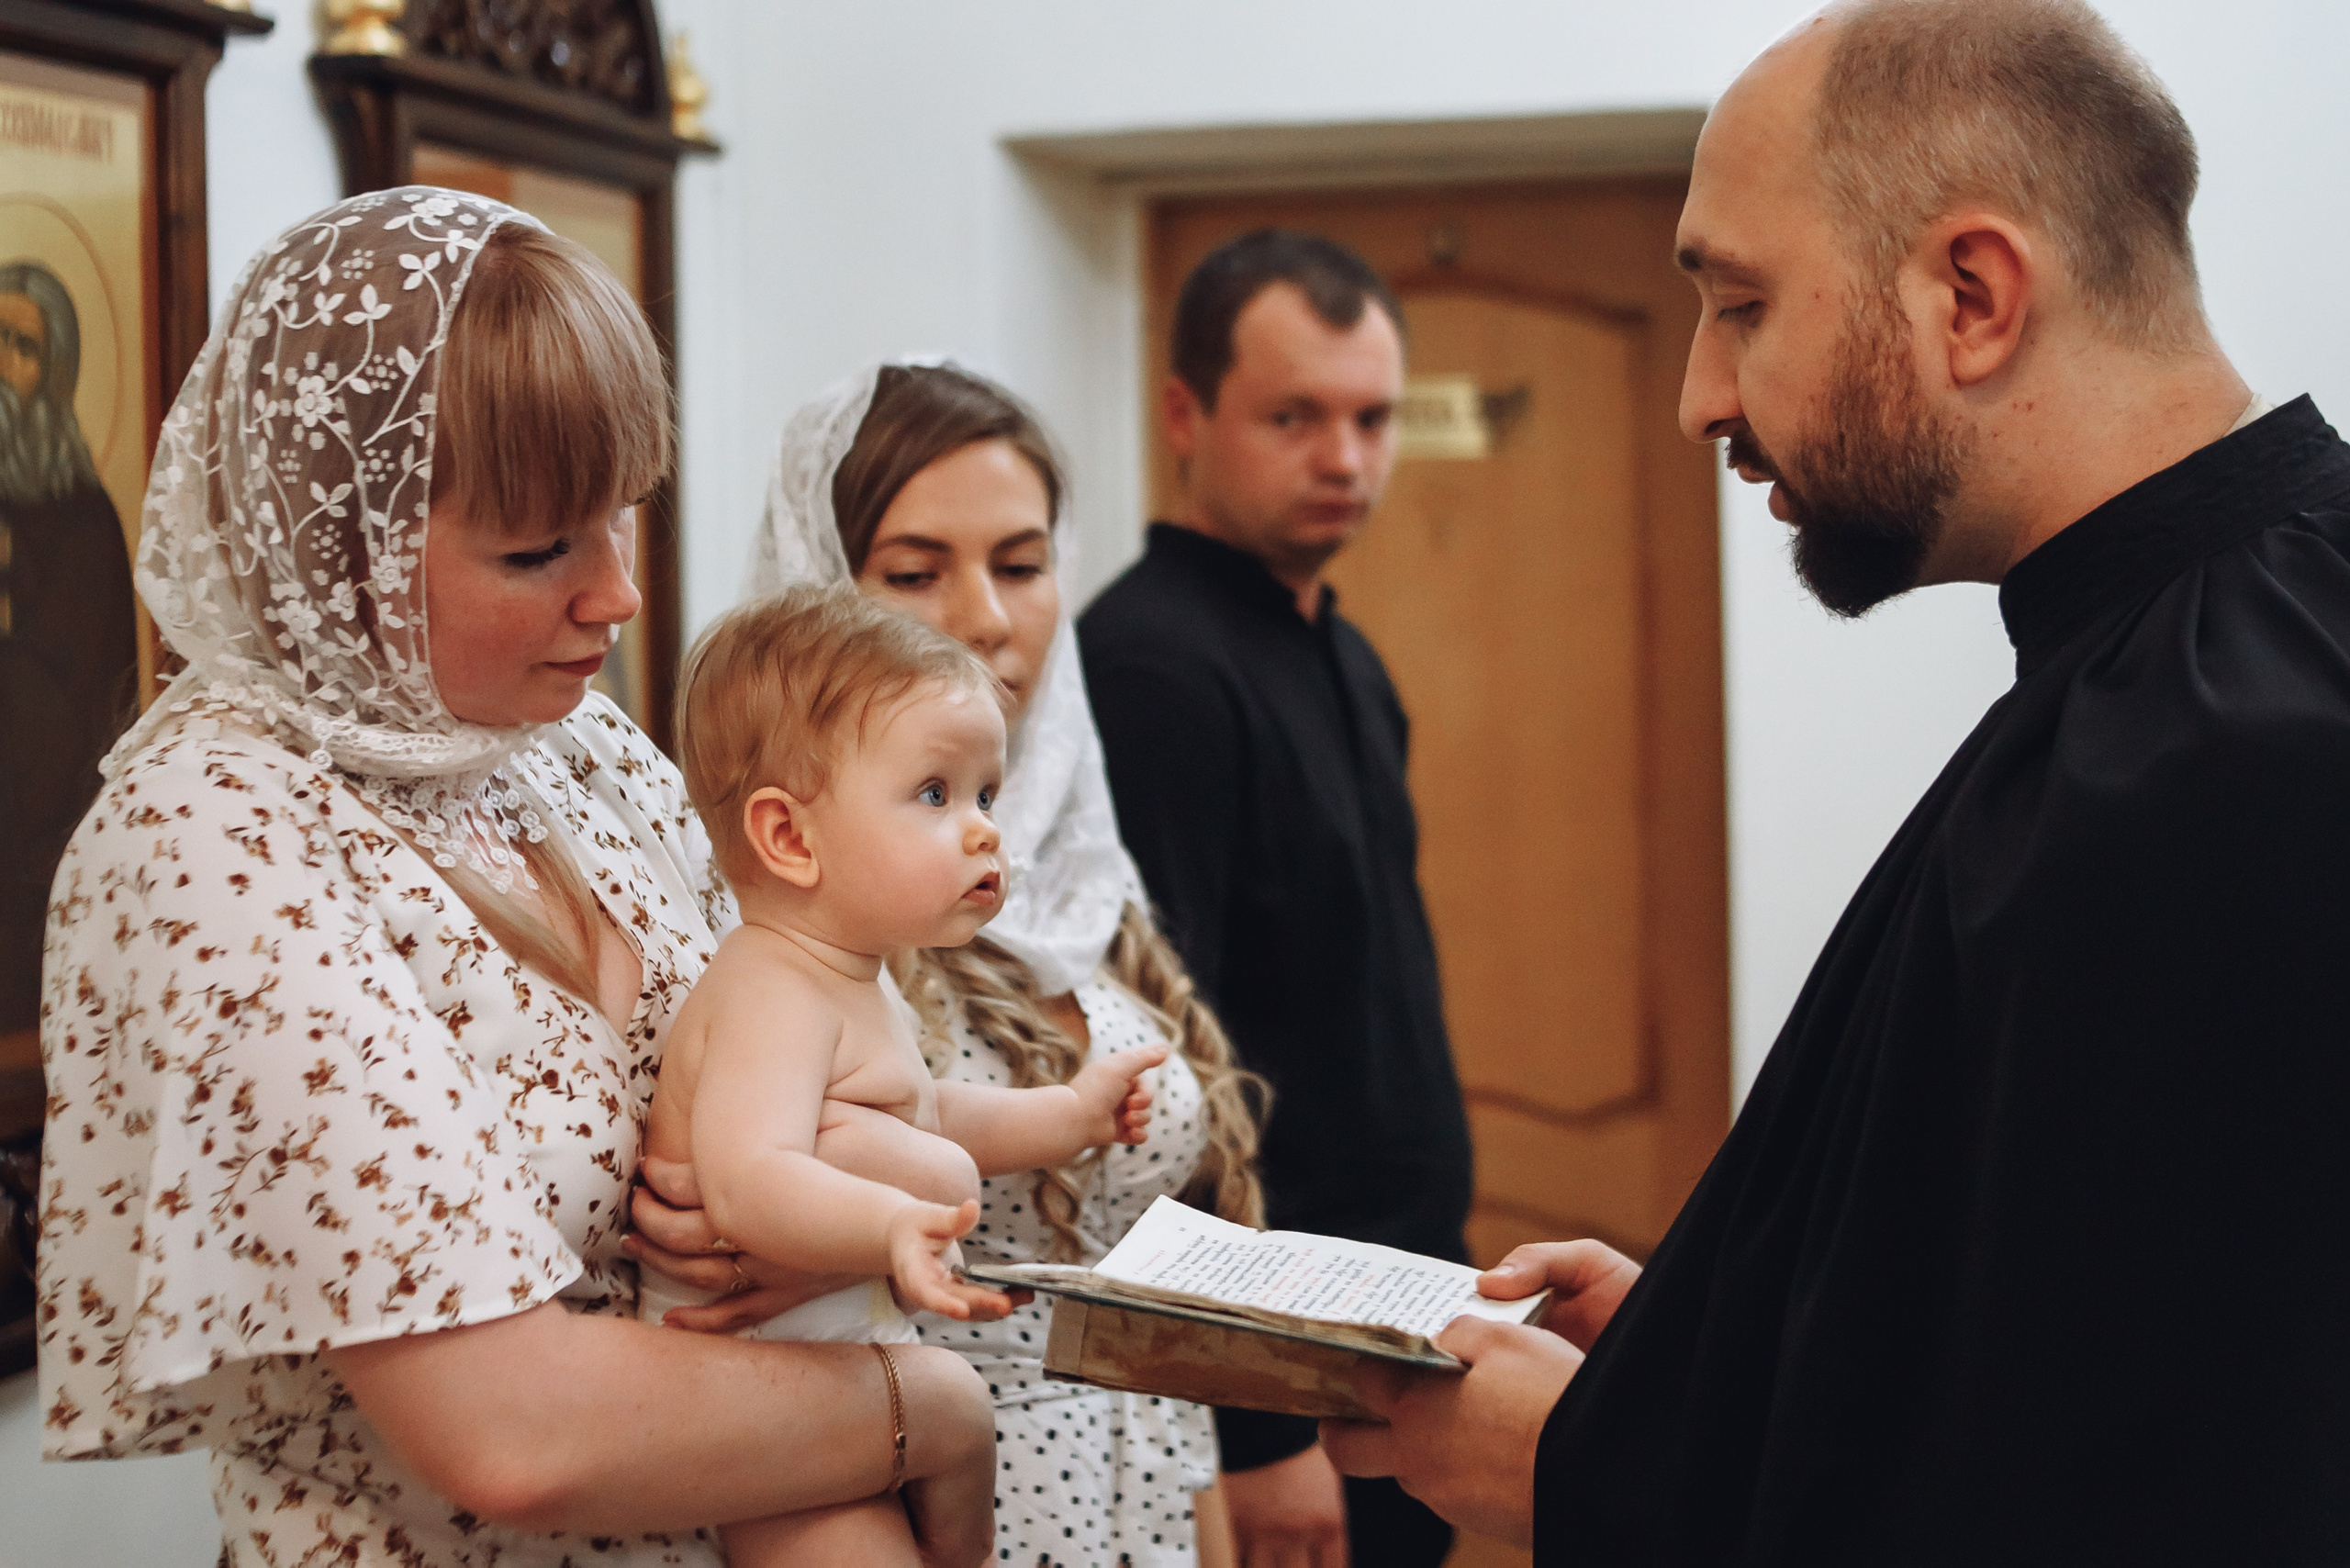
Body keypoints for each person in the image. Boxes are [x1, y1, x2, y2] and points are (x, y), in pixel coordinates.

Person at [1319, 2, 2350, 1561]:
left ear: (1973, 293)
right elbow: (2043, 1311)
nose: (1700, 397)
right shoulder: (2190, 663)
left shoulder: (2223, 756)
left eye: (1741, 303)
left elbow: (2137, 1489)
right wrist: (1712, 1344)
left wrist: (1588, 1471)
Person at [35, 188, 999, 1568]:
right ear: (338, 541)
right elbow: (514, 1434)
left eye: (618, 518)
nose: (618, 596)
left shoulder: (562, 745)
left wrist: (788, 1206)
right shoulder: (213, 834)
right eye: (540, 549)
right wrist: (933, 1409)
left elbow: (781, 1067)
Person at [632, 359, 1268, 1567]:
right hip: (912, 1477)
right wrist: (845, 1229)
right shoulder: (778, 921)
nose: (985, 617)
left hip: (1151, 1483)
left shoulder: (1070, 867)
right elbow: (746, 1197)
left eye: (1022, 565)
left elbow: (948, 1117)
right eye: (916, 573)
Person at [1079, 231, 1472, 1568]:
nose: (1345, 458)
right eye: (1294, 416)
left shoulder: (1344, 654)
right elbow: (1166, 1073)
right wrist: (1256, 1431)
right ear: (1186, 415)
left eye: (1371, 418)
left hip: (1393, 1309)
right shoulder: (1146, 669)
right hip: (1276, 1359)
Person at [643, 583, 1166, 1565]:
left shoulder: (850, 977)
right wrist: (887, 1225)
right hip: (759, 1385)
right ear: (789, 838)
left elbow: (931, 1113)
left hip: (840, 1366)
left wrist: (1068, 1113)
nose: (982, 831)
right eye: (935, 794)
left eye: (985, 795)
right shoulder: (770, 990)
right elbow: (749, 1178)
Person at [0, 258, 138, 1045]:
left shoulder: (85, 521)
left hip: (40, 849)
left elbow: (91, 700)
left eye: (21, 345)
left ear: (55, 373)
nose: (1, 362)